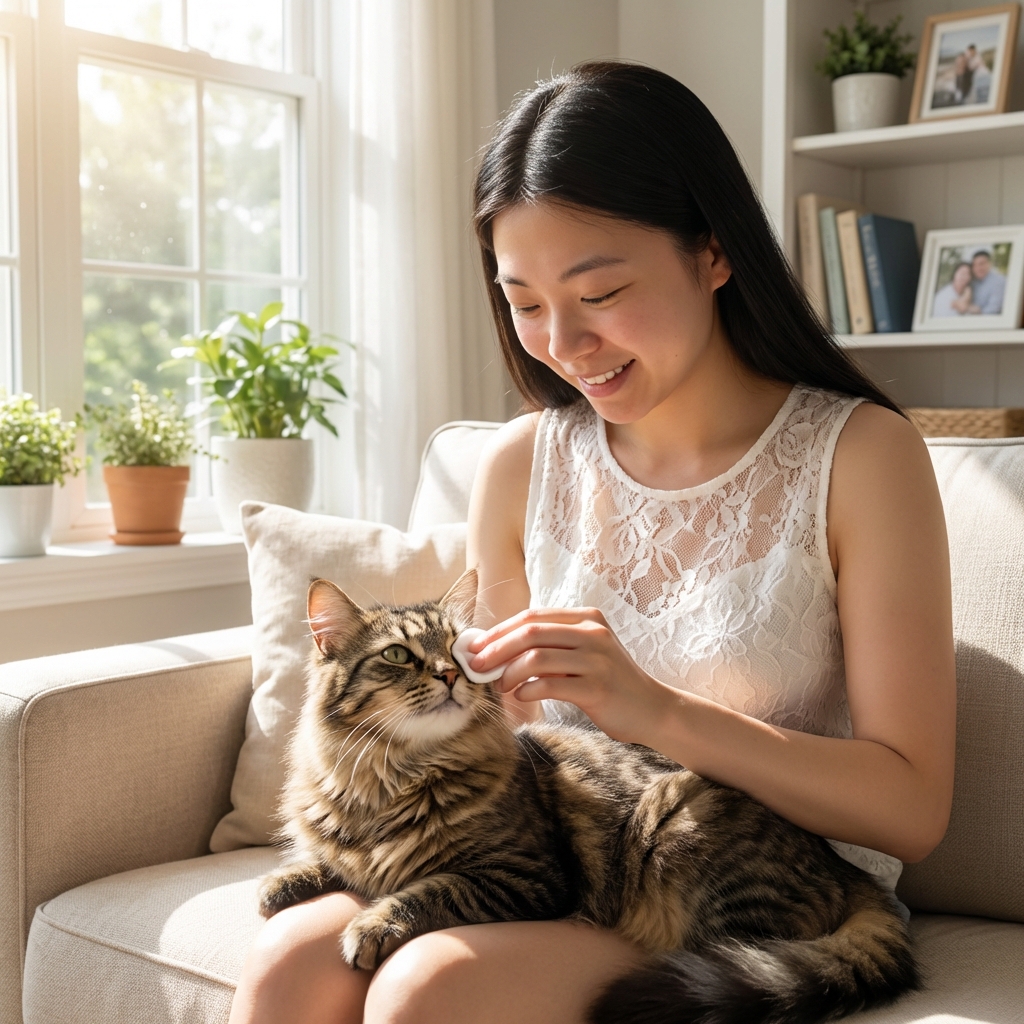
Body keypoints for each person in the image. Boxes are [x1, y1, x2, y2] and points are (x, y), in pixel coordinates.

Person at [228, 62, 955, 1024]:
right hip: (556, 854)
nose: (563, 344)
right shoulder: (521, 462)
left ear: (713, 253)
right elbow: (500, 744)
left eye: (601, 291)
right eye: (524, 302)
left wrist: (650, 708)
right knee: (286, 962)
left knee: (424, 988)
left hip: (745, 889)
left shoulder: (863, 455)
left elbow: (913, 809)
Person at [970, 249, 1006, 314]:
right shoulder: (973, 282)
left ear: (989, 264)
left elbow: (994, 309)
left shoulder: (999, 281)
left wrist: (977, 312)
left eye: (981, 264)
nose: (978, 268)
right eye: (975, 265)